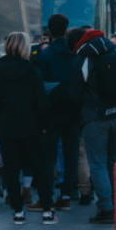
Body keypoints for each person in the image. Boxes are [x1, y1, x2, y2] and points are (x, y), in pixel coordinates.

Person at [69, 28, 116, 225]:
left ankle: (106, 207)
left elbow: (75, 92)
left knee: (97, 162)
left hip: (95, 117)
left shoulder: (83, 56)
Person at [0, 31, 55, 225]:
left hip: (7, 127)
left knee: (11, 169)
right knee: (40, 168)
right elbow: (40, 99)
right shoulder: (31, 69)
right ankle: (47, 211)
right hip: (32, 126)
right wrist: (44, 124)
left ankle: (17, 211)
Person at [33, 13, 79, 211]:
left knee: (48, 155)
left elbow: (40, 85)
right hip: (74, 109)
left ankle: (46, 196)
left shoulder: (46, 54)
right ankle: (67, 195)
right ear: (66, 29)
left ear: (49, 31)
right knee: (71, 153)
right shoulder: (75, 52)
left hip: (52, 111)